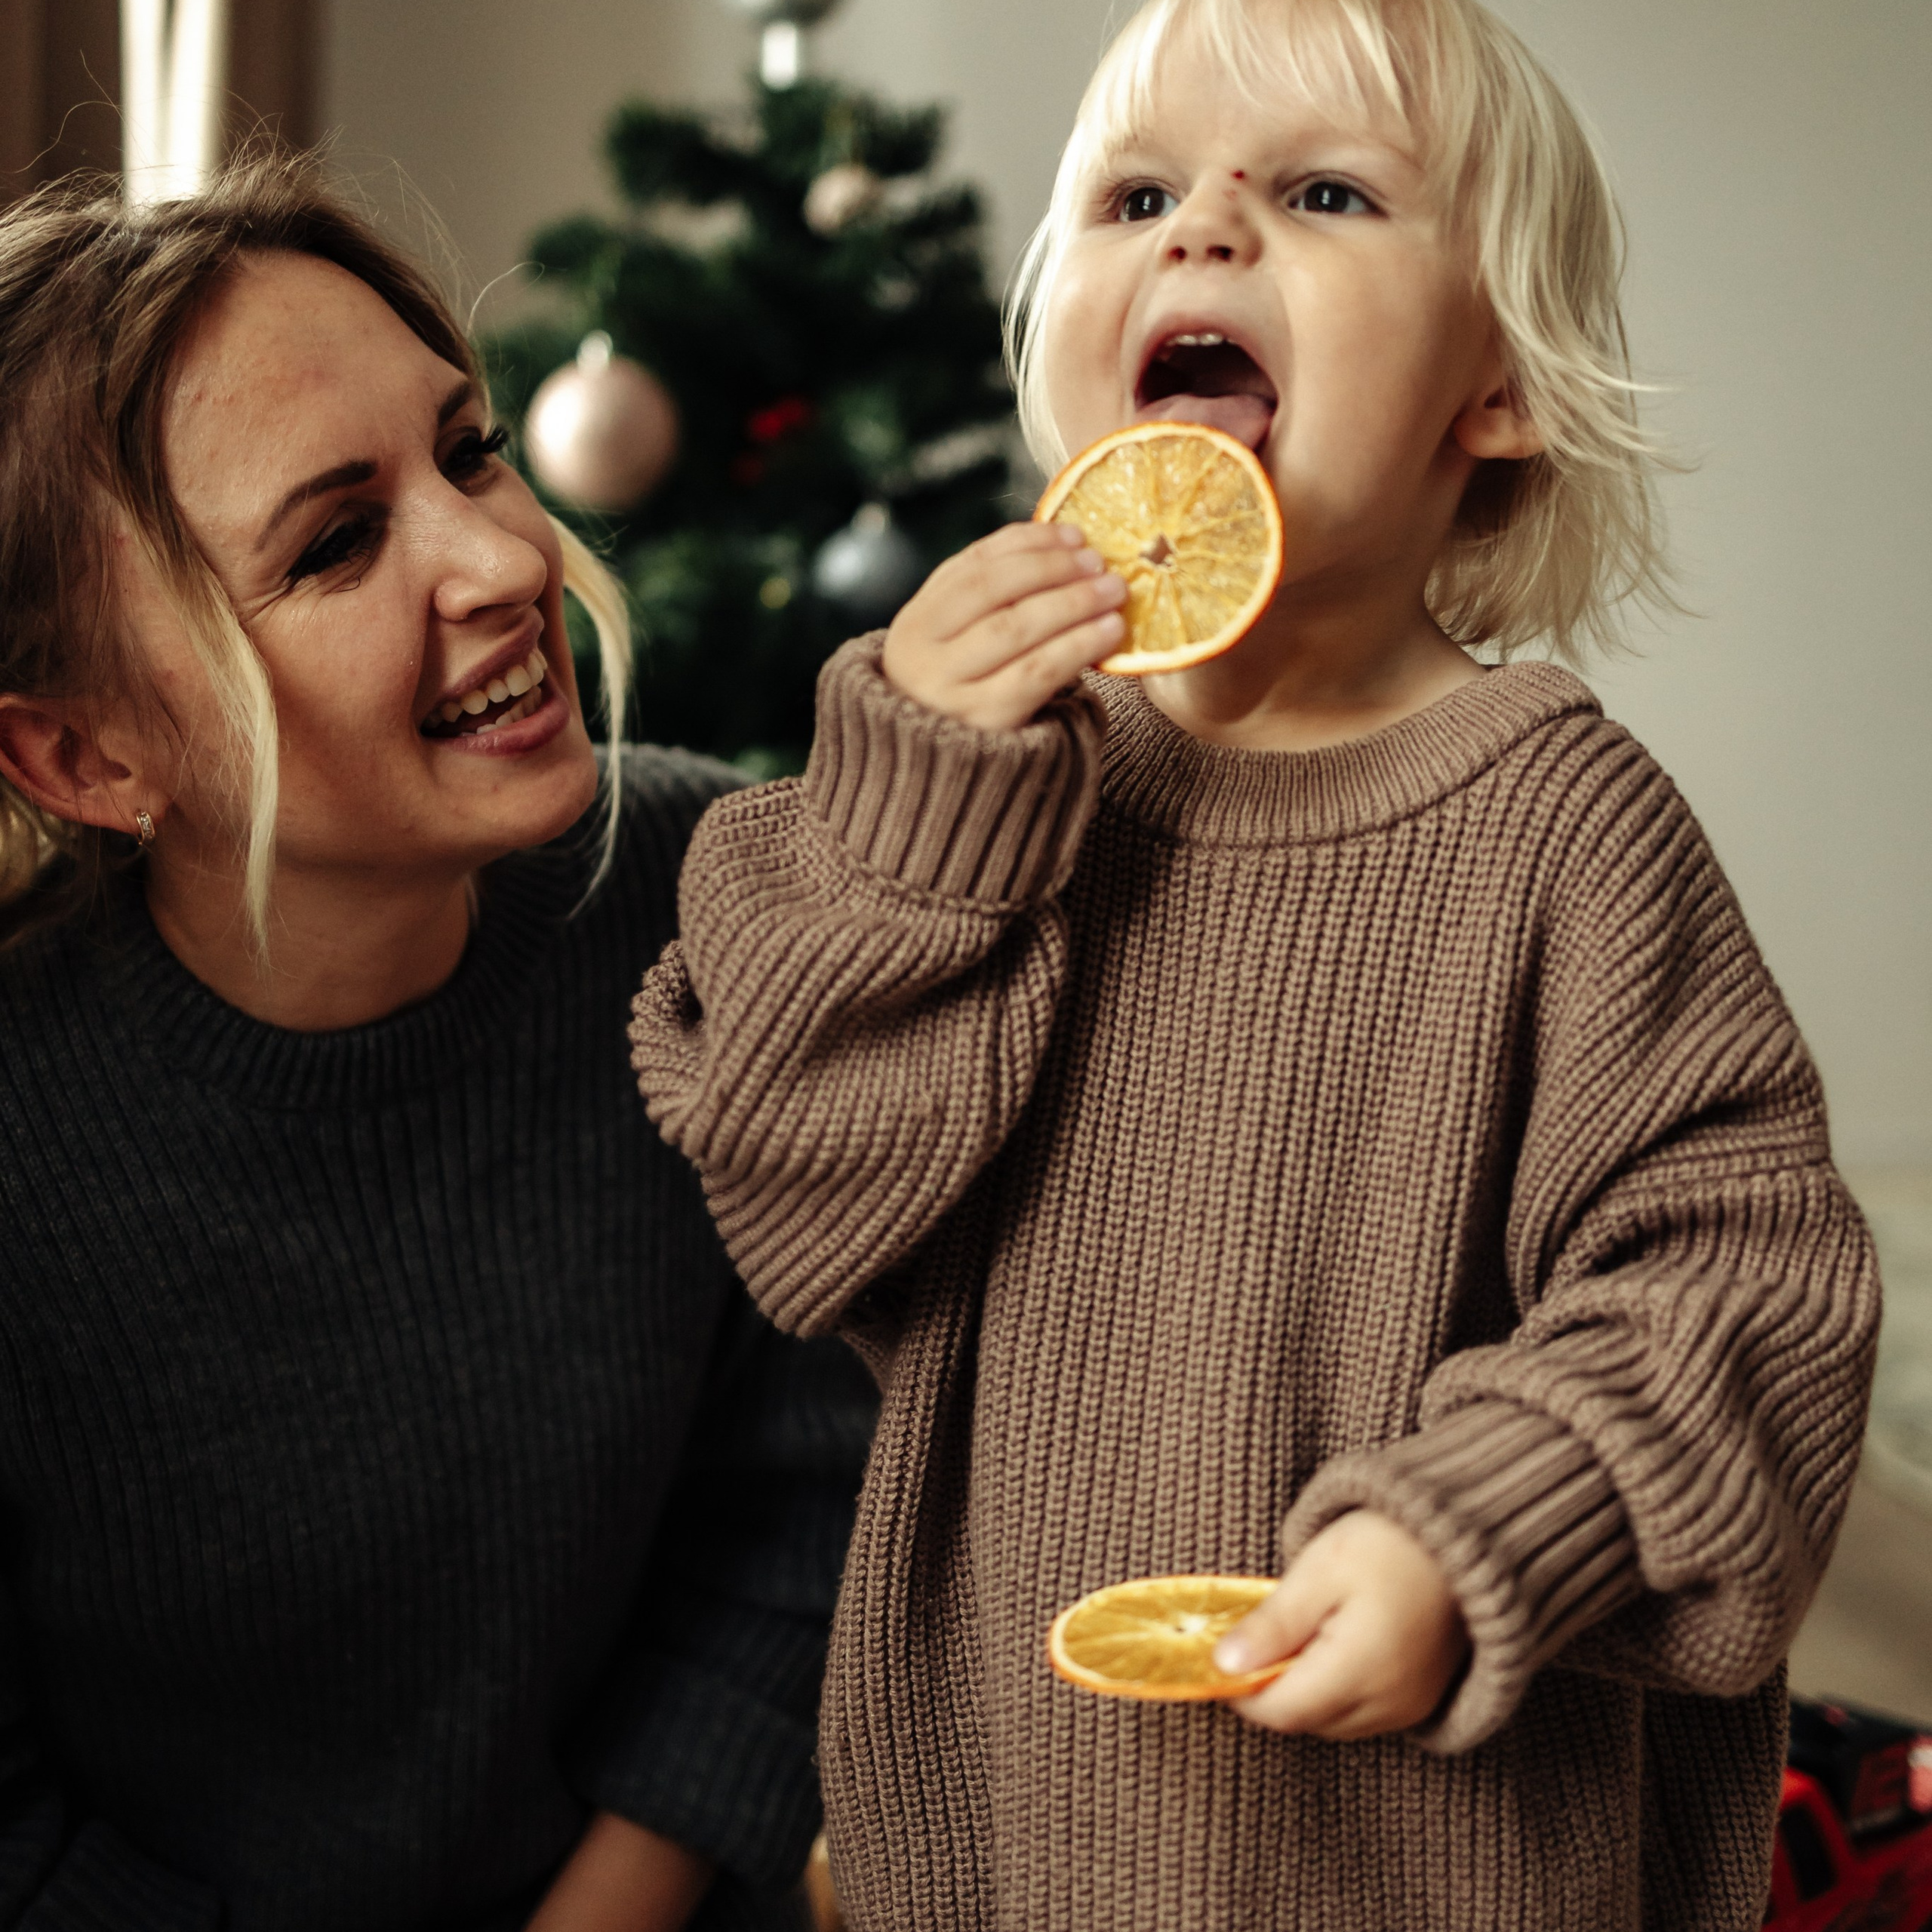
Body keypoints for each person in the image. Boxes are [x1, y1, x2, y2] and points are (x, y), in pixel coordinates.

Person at [626, 1, 1881, 1927]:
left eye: (1317, 191)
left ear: (1499, 389)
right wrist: (916, 814)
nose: (1198, 228)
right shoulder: (961, 785)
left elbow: (1740, 1291)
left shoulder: (1559, 827)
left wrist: (1477, 1536)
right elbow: (791, 1198)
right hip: (994, 1845)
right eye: (1133, 192)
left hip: (1431, 1870)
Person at [0, 155, 872, 1932]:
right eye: (335, 540)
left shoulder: (713, 898)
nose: (504, 554)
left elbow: (804, 1514)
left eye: (467, 449)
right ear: (86, 759)